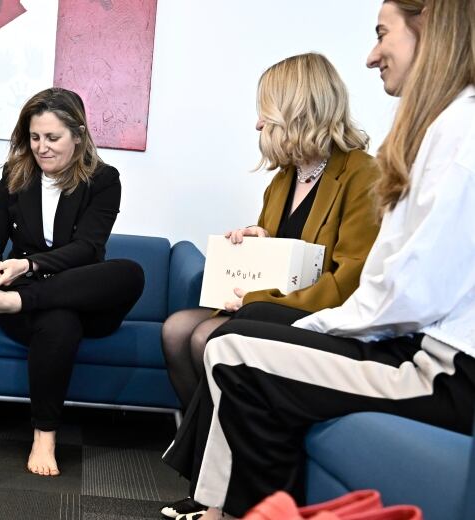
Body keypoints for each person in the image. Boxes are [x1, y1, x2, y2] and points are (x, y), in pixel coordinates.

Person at [164, 0, 475, 518]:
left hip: (436, 361)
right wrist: (259, 246)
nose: (372, 55)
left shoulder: (443, 139)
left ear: (431, 30)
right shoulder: (288, 178)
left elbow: (391, 289)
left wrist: (316, 324)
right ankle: (219, 503)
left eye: (383, 34)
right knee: (221, 334)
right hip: (412, 338)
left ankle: (222, 504)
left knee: (232, 343)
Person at [161, 52, 381, 414]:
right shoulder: (284, 179)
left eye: (266, 111)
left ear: (296, 110)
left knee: (204, 337)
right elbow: (283, 255)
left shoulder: (363, 175)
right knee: (175, 330)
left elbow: (349, 283)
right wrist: (256, 242)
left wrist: (254, 299)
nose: (259, 124)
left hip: (316, 315)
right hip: (270, 303)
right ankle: (203, 445)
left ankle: (220, 448)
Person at [0, 87, 145, 477]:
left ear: (78, 134)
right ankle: (45, 437)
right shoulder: (15, 176)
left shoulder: (104, 180)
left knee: (130, 272)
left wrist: (27, 267)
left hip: (80, 298)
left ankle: (11, 302)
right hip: (38, 311)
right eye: (35, 137)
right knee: (59, 321)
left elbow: (88, 249)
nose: (41, 147)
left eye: (52, 138)